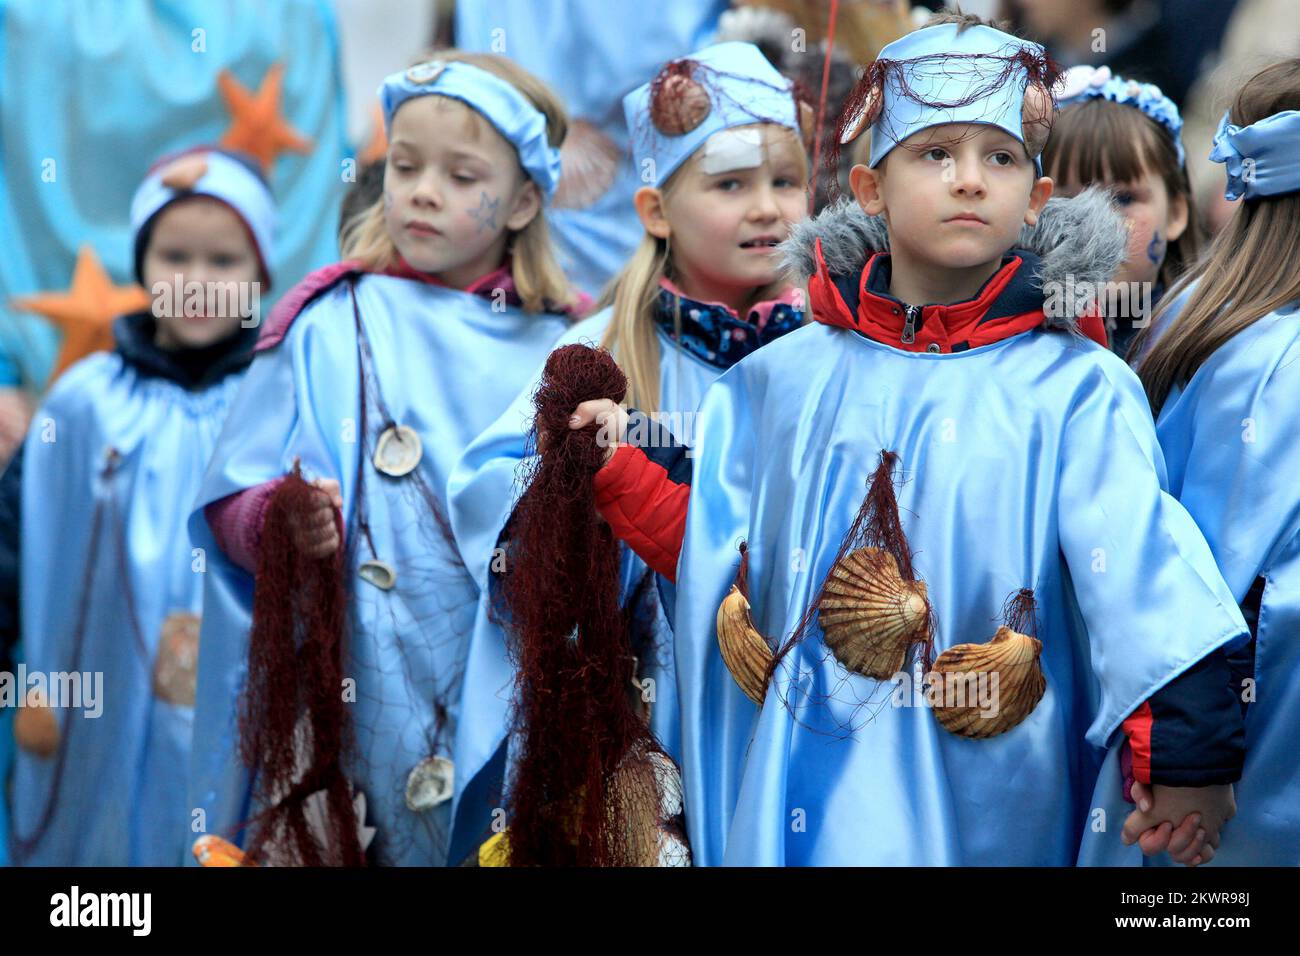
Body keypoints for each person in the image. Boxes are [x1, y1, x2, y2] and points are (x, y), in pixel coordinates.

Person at [564, 14, 1248, 865]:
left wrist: (1185, 760)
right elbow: (727, 559)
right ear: (870, 189)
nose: (970, 181)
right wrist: (621, 474)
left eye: (999, 158)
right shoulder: (784, 381)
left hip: (998, 806)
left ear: (1036, 199)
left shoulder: (1077, 389)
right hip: (805, 797)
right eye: (935, 154)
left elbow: (1143, 584)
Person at [187, 52, 581, 866]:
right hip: (358, 690)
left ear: (524, 202)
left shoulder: (567, 347)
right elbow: (226, 506)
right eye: (404, 167)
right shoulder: (327, 322)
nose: (422, 191)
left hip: (513, 696)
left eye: (460, 173)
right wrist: (282, 520)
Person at [447, 40, 810, 864]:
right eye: (729, 184)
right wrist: (562, 472)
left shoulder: (828, 354)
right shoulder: (599, 348)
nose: (767, 209)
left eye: (785, 182)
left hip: (774, 691)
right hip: (641, 698)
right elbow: (483, 493)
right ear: (654, 210)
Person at [3, 146, 273, 865]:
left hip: (232, 703)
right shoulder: (84, 400)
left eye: (224, 264)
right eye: (174, 257)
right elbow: (18, 534)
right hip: (97, 702)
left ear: (260, 278)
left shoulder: (278, 402)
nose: (197, 283)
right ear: (143, 266)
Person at [1086, 57, 1300, 866]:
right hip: (1249, 782)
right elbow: (1230, 584)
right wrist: (1191, 773)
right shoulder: (1273, 360)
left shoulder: (1193, 312)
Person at [1042, 65, 1200, 358]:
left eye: (1124, 198)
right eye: (1069, 199)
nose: (1096, 223)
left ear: (1176, 213)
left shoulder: (1203, 349)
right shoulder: (1004, 342)